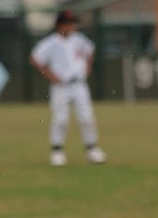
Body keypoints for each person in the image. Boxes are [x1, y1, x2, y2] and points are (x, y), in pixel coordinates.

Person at [30, 9, 106, 167]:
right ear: (59, 25)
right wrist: (50, 75)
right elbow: (35, 59)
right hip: (61, 86)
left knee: (86, 117)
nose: (72, 27)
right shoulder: (50, 42)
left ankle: (92, 148)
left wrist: (87, 66)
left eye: (73, 24)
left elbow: (90, 50)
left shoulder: (79, 39)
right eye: (68, 24)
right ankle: (57, 151)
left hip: (79, 84)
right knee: (61, 119)